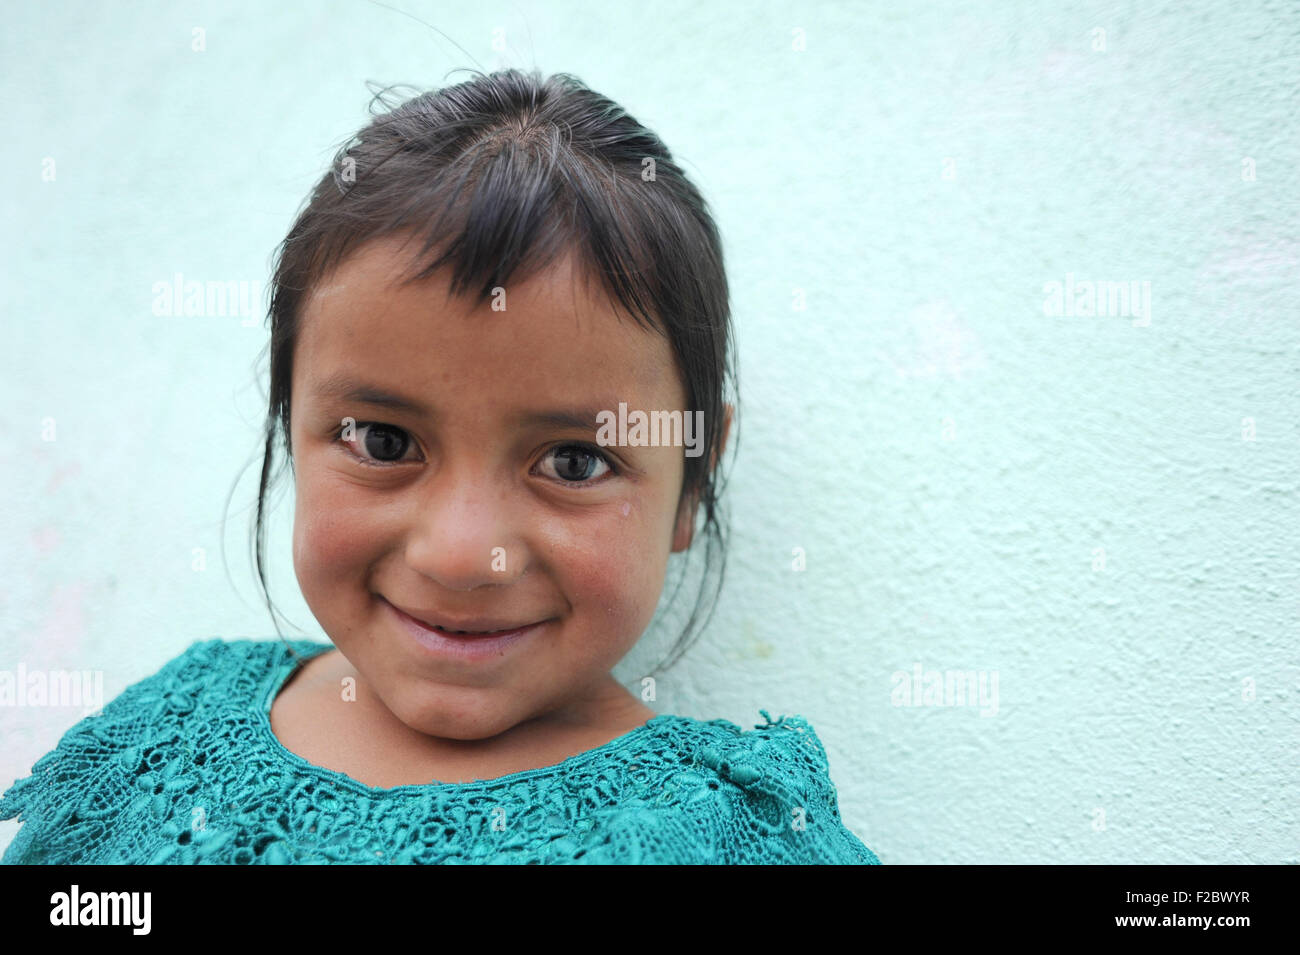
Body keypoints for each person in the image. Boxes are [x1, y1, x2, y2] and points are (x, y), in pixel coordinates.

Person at [1, 68, 880, 864]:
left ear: (693, 477)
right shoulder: (161, 742)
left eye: (574, 460)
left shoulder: (738, 837)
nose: (463, 553)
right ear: (286, 423)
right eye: (384, 442)